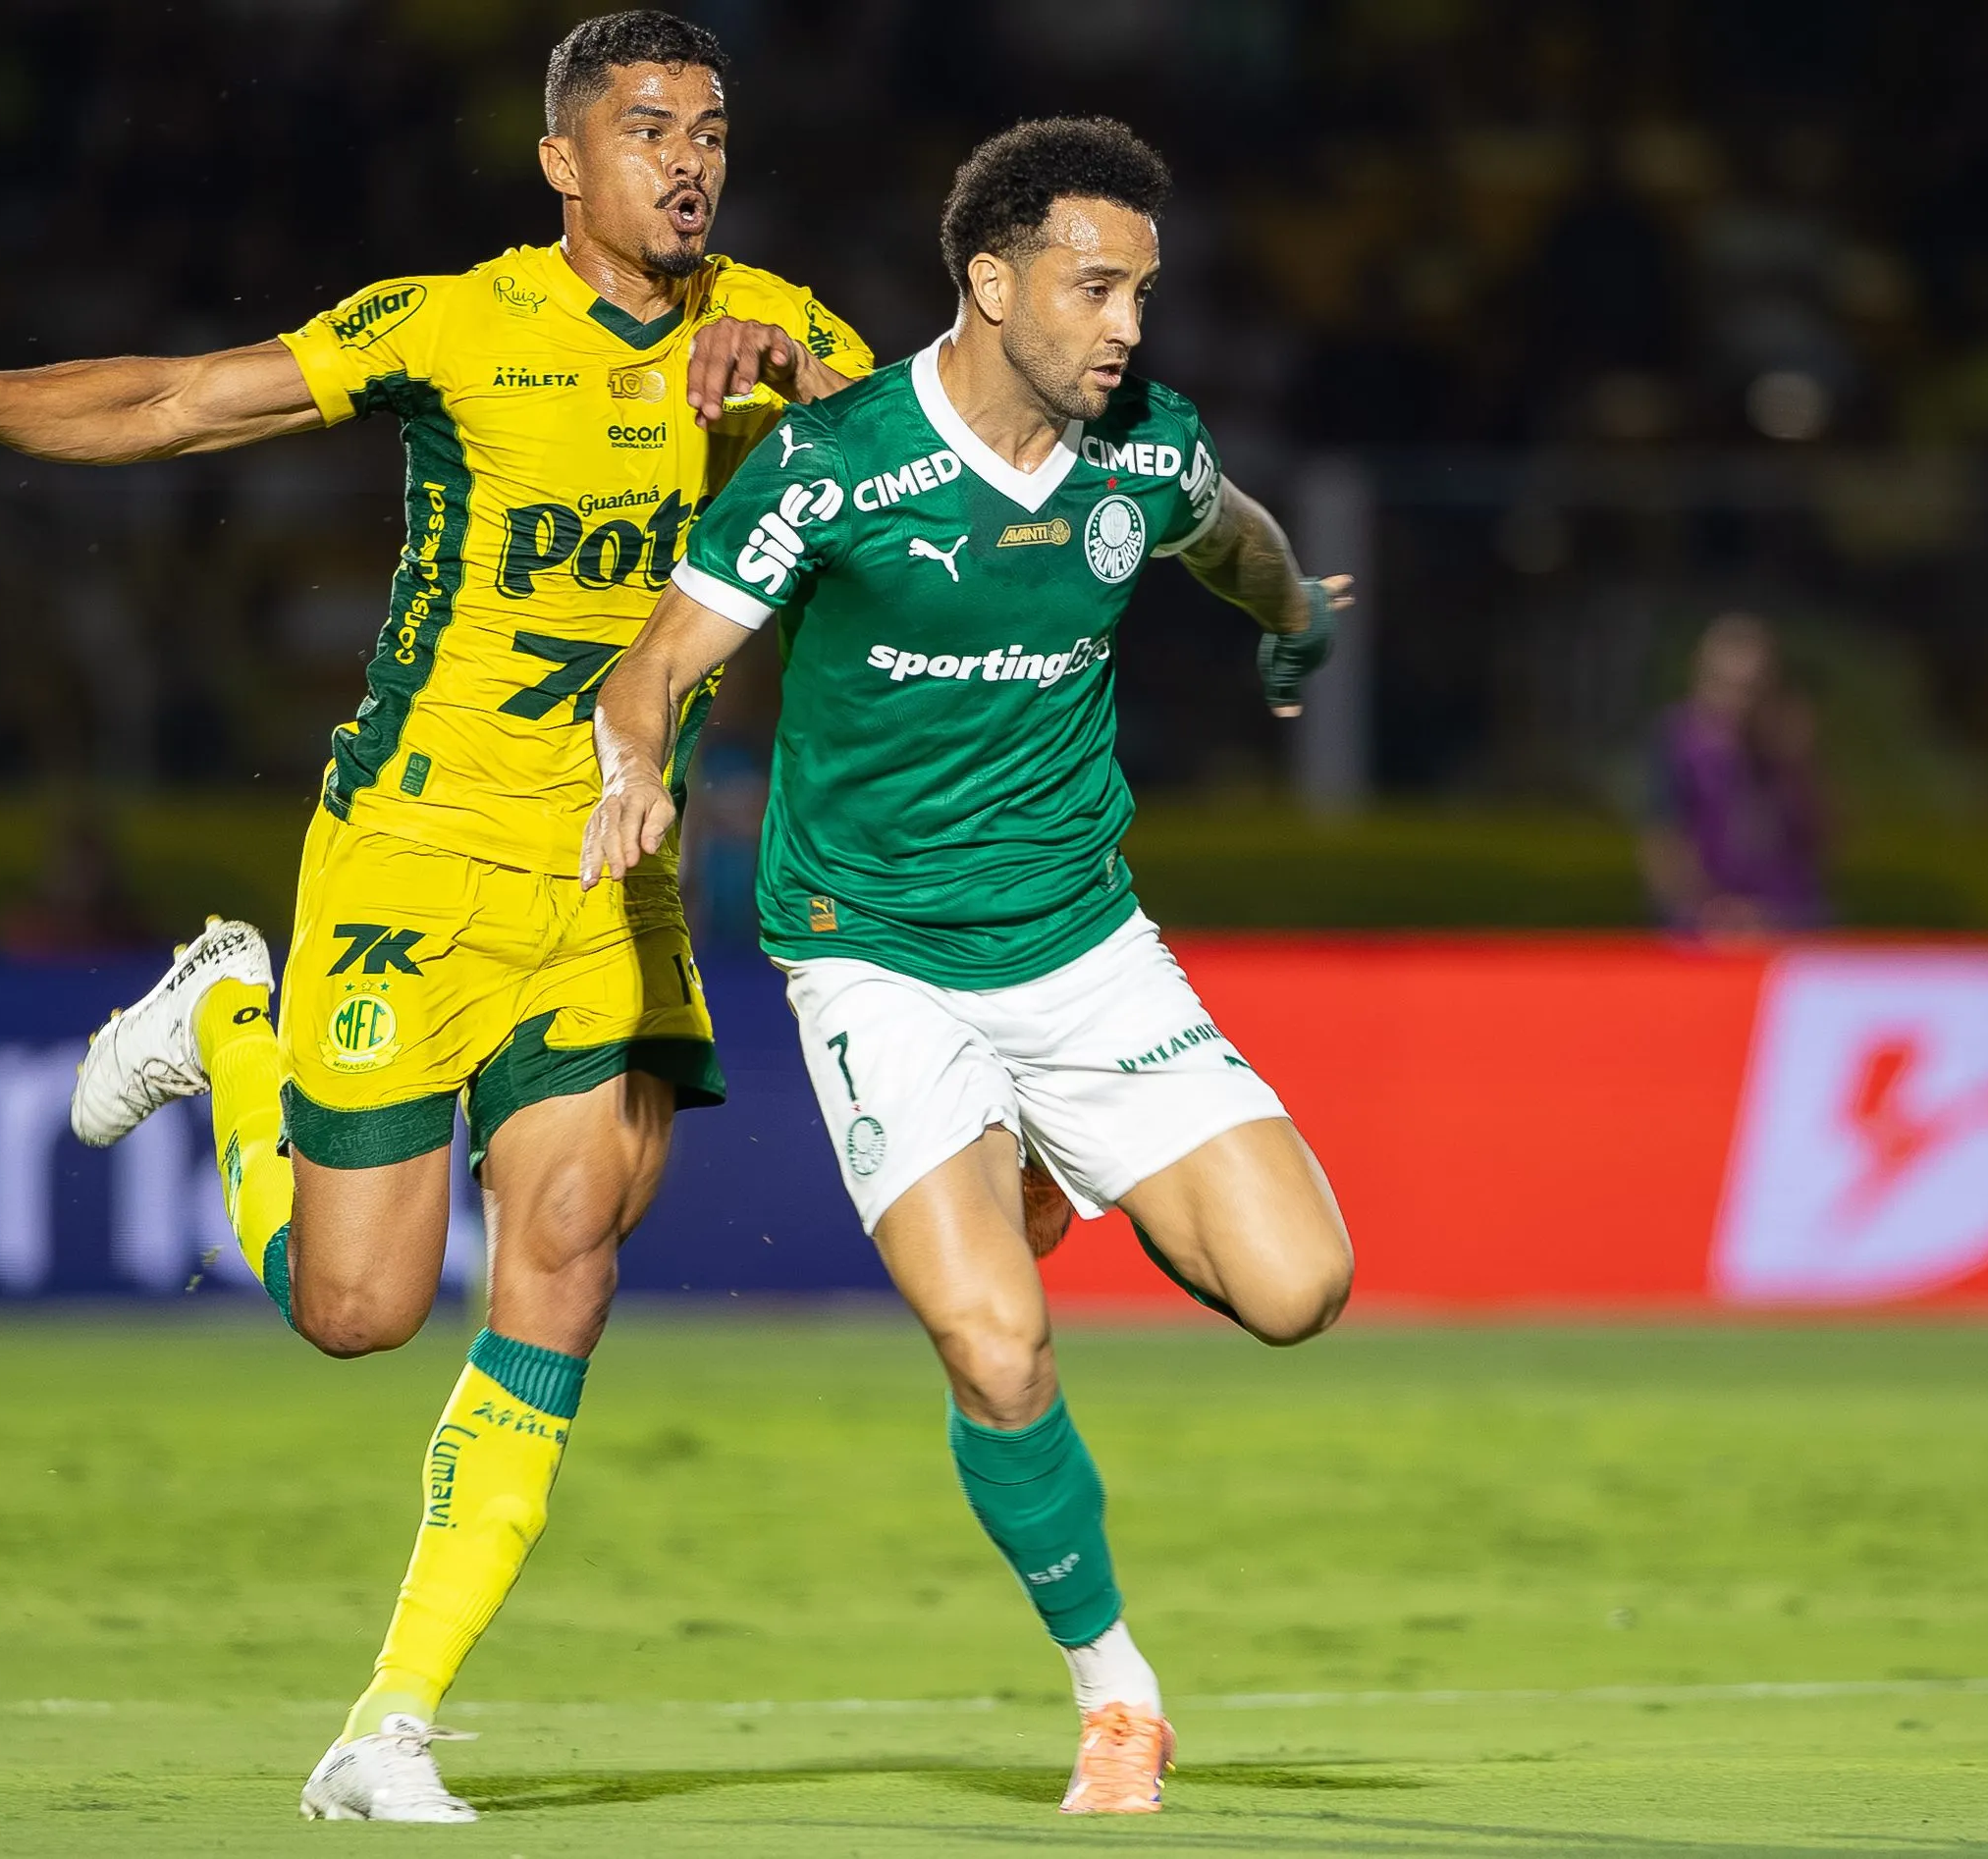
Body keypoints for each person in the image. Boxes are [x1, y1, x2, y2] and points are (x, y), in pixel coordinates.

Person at [0, 12, 872, 1822]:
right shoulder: (455, 324)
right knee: (356, 1307)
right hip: (408, 863)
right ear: (562, 164)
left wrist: (818, 401)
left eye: (713, 131)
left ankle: (390, 1725)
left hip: (607, 864)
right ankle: (225, 1011)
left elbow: (932, 473)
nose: (688, 162)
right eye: (648, 128)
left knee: (573, 1248)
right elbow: (185, 400)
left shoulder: (788, 329)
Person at [579, 117, 1356, 1815]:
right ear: (991, 282)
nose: (1128, 324)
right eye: (1093, 287)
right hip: (880, 966)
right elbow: (657, 664)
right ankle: (1116, 1690)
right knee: (997, 1348)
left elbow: (1230, 535)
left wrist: (1293, 615)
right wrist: (636, 760)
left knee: (1301, 1289)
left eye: (1142, 290)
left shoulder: (1142, 451)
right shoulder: (836, 464)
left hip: (1083, 951)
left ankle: (1055, 1175)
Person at [1639, 612, 1827, 934]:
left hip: (1788, 924)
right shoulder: (1678, 744)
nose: (1739, 702)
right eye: (1728, 686)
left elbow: (1825, 837)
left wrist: (1800, 768)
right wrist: (1710, 913)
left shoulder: (1786, 745)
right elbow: (1663, 842)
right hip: (1703, 933)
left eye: (1752, 688)